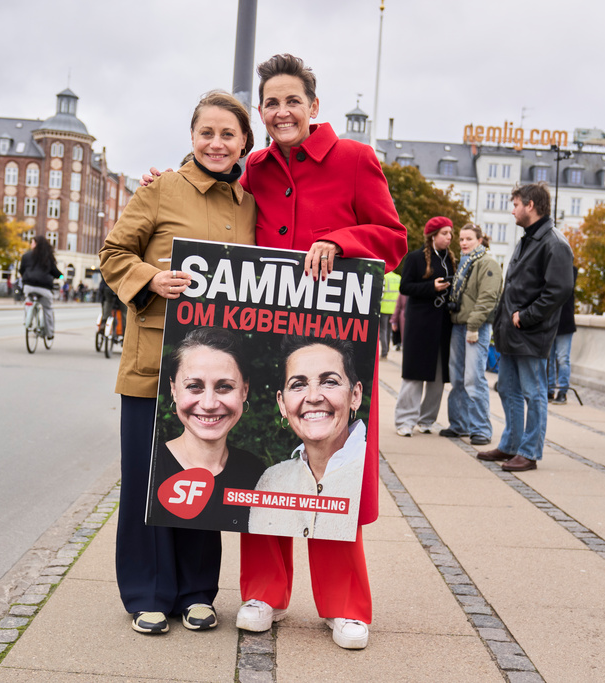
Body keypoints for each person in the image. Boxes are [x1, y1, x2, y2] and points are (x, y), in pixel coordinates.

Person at [231, 54, 407, 650]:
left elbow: (394, 238)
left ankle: (344, 604)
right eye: (271, 103)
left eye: (292, 101)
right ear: (262, 111)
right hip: (267, 332)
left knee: (335, 463)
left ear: (312, 106)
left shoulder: (355, 159)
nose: (282, 112)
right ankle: (263, 592)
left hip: (338, 337)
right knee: (263, 460)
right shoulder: (253, 166)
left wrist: (340, 238)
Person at [100, 90, 256, 635]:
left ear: (244, 142)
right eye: (206, 133)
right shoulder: (161, 190)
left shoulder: (250, 202)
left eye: (227, 134)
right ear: (192, 138)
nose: (216, 143)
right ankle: (147, 591)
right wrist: (150, 279)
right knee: (146, 481)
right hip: (153, 363)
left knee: (201, 478)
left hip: (213, 372)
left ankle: (196, 592)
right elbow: (114, 253)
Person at [477, 183, 574, 471]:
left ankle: (529, 452)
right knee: (507, 388)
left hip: (531, 332)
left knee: (534, 392)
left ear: (530, 205)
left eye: (516, 203)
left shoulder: (554, 243)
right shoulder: (527, 239)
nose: (512, 209)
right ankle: (510, 445)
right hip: (511, 331)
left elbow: (559, 290)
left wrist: (526, 316)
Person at [249, 336, 366, 543]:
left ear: (355, 395)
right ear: (282, 404)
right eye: (298, 385)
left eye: (329, 382)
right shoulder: (271, 481)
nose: (313, 397)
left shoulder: (373, 474)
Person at [150, 328, 266, 531]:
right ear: (174, 390)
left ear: (244, 390)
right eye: (194, 386)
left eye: (224, 387)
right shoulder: (149, 468)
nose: (209, 403)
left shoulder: (256, 472)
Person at [440, 224, 502, 445]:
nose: (464, 243)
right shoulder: (466, 263)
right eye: (462, 239)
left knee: (474, 379)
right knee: (458, 379)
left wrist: (474, 326)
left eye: (468, 239)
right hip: (458, 325)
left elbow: (488, 299)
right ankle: (459, 425)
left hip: (475, 327)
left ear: (479, 240)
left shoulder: (487, 263)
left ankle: (481, 429)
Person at [395, 217, 455, 437]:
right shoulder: (415, 258)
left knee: (438, 377)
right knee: (413, 375)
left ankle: (427, 419)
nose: (449, 237)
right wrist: (432, 286)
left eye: (450, 233)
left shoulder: (450, 259)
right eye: (445, 233)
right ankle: (405, 421)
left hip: (443, 326)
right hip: (420, 325)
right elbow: (405, 286)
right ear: (433, 235)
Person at [19, 236, 62, 340]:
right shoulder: (48, 258)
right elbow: (55, 272)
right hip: (44, 288)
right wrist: (61, 276)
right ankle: (50, 333)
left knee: (28, 302)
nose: (31, 245)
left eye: (32, 243)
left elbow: (21, 270)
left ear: (36, 244)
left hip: (29, 286)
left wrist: (26, 276)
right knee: (47, 309)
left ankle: (28, 320)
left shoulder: (26, 256)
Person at [548, 265, 577, 405]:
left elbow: (564, 287)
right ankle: (550, 388)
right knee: (549, 358)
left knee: (563, 359)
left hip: (565, 323)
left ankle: (563, 391)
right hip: (550, 323)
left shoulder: (570, 270)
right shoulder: (548, 269)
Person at [379, 269, 401, 358]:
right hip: (394, 308)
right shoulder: (398, 278)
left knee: (383, 330)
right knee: (388, 331)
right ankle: (386, 350)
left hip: (384, 308)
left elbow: (381, 293)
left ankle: (384, 352)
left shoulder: (385, 277)